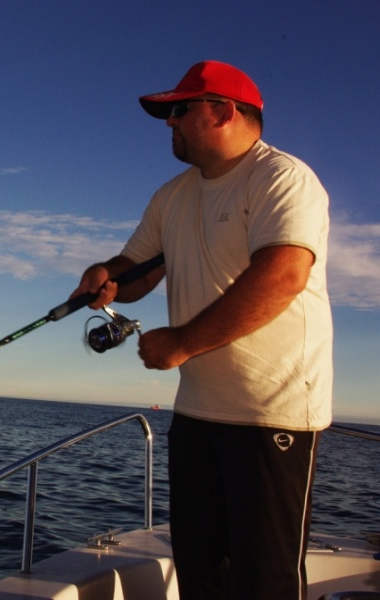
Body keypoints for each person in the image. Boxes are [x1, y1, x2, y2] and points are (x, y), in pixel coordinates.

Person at [71, 60, 332, 599]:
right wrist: (106, 276)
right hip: (196, 415)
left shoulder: (282, 178)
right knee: (200, 572)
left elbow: (283, 276)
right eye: (168, 113)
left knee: (264, 581)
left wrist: (182, 342)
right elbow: (135, 269)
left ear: (224, 112)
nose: (170, 122)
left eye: (180, 110)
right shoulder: (173, 196)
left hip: (270, 414)